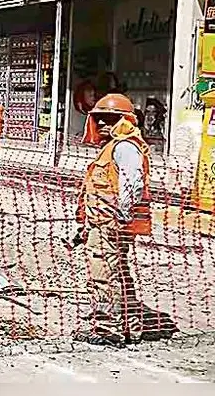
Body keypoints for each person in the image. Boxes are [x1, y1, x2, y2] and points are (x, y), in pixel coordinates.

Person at [72, 93, 153, 347]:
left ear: (124, 120)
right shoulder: (112, 147)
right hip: (102, 222)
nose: (104, 124)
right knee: (117, 271)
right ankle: (129, 325)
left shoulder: (124, 146)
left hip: (111, 223)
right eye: (100, 119)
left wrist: (122, 213)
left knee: (103, 273)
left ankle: (109, 328)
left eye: (110, 119)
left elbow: (133, 182)